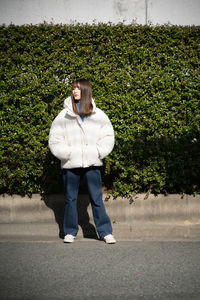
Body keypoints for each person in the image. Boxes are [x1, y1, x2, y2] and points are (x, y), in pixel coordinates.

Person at [48, 79, 116, 244]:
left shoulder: (98, 114)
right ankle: (70, 232)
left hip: (92, 163)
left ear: (86, 90)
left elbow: (108, 137)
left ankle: (105, 232)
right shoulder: (63, 115)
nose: (74, 91)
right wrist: (68, 154)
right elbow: (55, 140)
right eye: (73, 88)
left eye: (78, 88)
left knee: (96, 198)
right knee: (70, 199)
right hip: (71, 164)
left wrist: (98, 152)